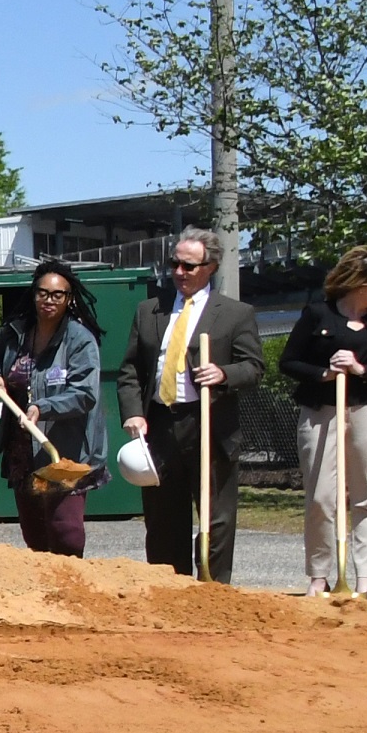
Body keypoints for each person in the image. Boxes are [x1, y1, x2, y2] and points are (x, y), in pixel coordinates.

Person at [116, 228, 263, 581]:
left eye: (189, 266)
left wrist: (224, 373)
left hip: (209, 424)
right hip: (160, 424)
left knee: (216, 516)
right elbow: (130, 371)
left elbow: (254, 366)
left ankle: (212, 587)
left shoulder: (234, 314)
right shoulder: (149, 310)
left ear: (210, 267)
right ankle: (170, 587)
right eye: (174, 264)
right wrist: (133, 412)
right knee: (163, 518)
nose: (179, 273)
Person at [278, 245, 367, 595]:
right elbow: (289, 361)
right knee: (321, 497)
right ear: (360, 283)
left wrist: (362, 370)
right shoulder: (318, 314)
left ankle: (365, 581)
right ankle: (319, 576)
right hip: (321, 413)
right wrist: (324, 373)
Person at [0, 263, 105, 558]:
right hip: (22, 448)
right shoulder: (15, 331)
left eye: (57, 295)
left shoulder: (80, 340)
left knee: (66, 533)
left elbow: (85, 394)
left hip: (63, 450)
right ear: (33, 294)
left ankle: (73, 590)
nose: (49, 300)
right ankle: (44, 596)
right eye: (43, 293)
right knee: (34, 533)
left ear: (69, 299)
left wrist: (43, 406)